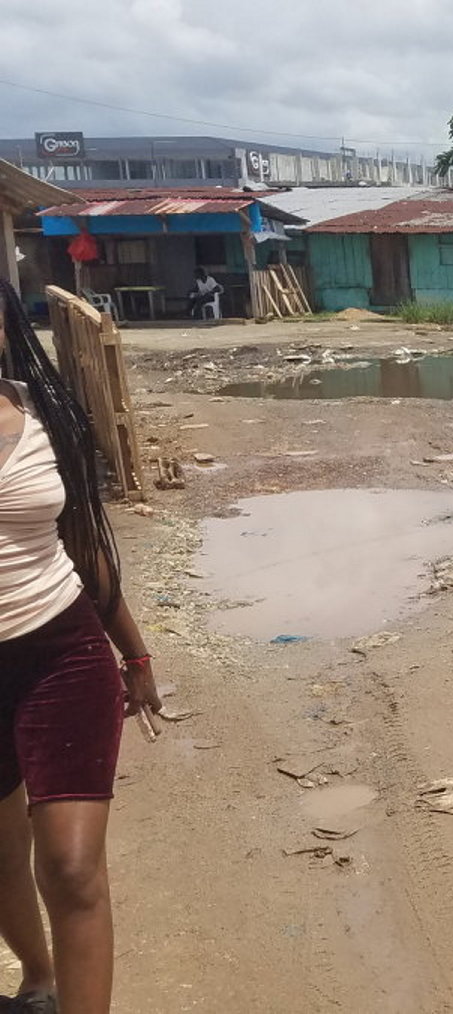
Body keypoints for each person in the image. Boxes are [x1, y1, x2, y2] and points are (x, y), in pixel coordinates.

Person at [0, 279, 159, 1013]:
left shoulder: (40, 414)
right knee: (4, 855)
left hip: (61, 653)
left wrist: (136, 654)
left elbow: (85, 544)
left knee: (70, 867)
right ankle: (38, 976)